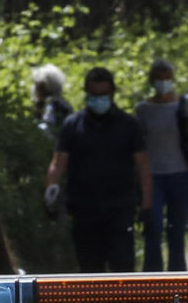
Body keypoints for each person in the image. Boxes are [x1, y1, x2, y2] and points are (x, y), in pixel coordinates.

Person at [47, 67, 151, 275]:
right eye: (94, 95)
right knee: (90, 269)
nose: (99, 100)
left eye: (103, 95)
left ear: (112, 93)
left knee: (123, 267)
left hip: (120, 208)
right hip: (84, 209)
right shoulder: (72, 125)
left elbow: (143, 166)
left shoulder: (129, 125)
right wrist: (50, 194)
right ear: (87, 93)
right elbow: (59, 163)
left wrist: (147, 206)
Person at [137, 59, 188, 274]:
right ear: (152, 81)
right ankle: (152, 277)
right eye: (159, 78)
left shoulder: (186, 104)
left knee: (176, 230)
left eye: (167, 78)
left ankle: (177, 275)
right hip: (152, 178)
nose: (163, 82)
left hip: (181, 175)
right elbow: (137, 144)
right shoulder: (143, 109)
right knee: (153, 227)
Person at [32, 65, 73, 135]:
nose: (35, 89)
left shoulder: (52, 105)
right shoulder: (62, 104)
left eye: (38, 86)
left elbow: (46, 130)